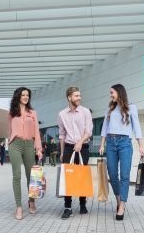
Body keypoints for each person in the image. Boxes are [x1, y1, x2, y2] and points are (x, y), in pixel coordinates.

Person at [99, 84, 144, 221]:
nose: (110, 95)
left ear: (119, 93)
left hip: (125, 143)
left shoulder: (132, 108)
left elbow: (137, 126)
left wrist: (141, 145)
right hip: (111, 143)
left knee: (124, 175)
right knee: (112, 175)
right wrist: (102, 144)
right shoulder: (109, 109)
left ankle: (122, 206)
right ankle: (118, 200)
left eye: (112, 92)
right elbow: (105, 128)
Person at [58, 86, 93, 219]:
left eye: (80, 95)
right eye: (76, 96)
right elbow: (61, 134)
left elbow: (88, 131)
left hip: (83, 147)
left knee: (82, 176)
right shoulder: (62, 114)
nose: (79, 98)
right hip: (68, 148)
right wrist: (62, 152)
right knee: (68, 177)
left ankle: (83, 204)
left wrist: (79, 143)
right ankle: (67, 207)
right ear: (69, 97)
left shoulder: (85, 112)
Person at [8, 87, 43, 220]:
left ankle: (31, 201)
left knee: (32, 176)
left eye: (27, 95)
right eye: (23, 95)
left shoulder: (33, 113)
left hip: (29, 144)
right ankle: (18, 206)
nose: (25, 97)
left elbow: (36, 132)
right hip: (15, 144)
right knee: (17, 176)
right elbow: (9, 130)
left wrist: (38, 148)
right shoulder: (11, 113)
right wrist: (10, 142)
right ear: (18, 96)